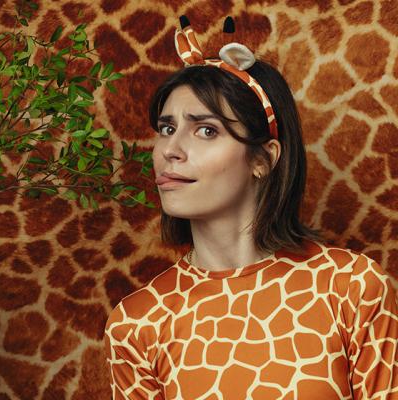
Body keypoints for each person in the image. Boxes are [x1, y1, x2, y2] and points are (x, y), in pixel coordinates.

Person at [104, 15, 398, 400]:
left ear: (263, 158)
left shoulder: (351, 286)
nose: (170, 150)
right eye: (167, 128)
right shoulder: (137, 323)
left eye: (206, 130)